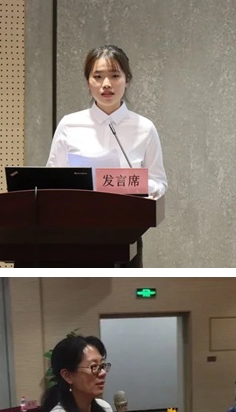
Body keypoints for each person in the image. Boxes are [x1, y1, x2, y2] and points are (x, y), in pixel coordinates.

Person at [46, 45, 167, 267]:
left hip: (126, 232)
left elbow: (159, 182)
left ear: (127, 79)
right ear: (88, 81)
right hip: (76, 233)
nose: (106, 84)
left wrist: (139, 186)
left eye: (115, 76)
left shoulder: (144, 128)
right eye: (98, 76)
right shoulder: (69, 124)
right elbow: (52, 180)